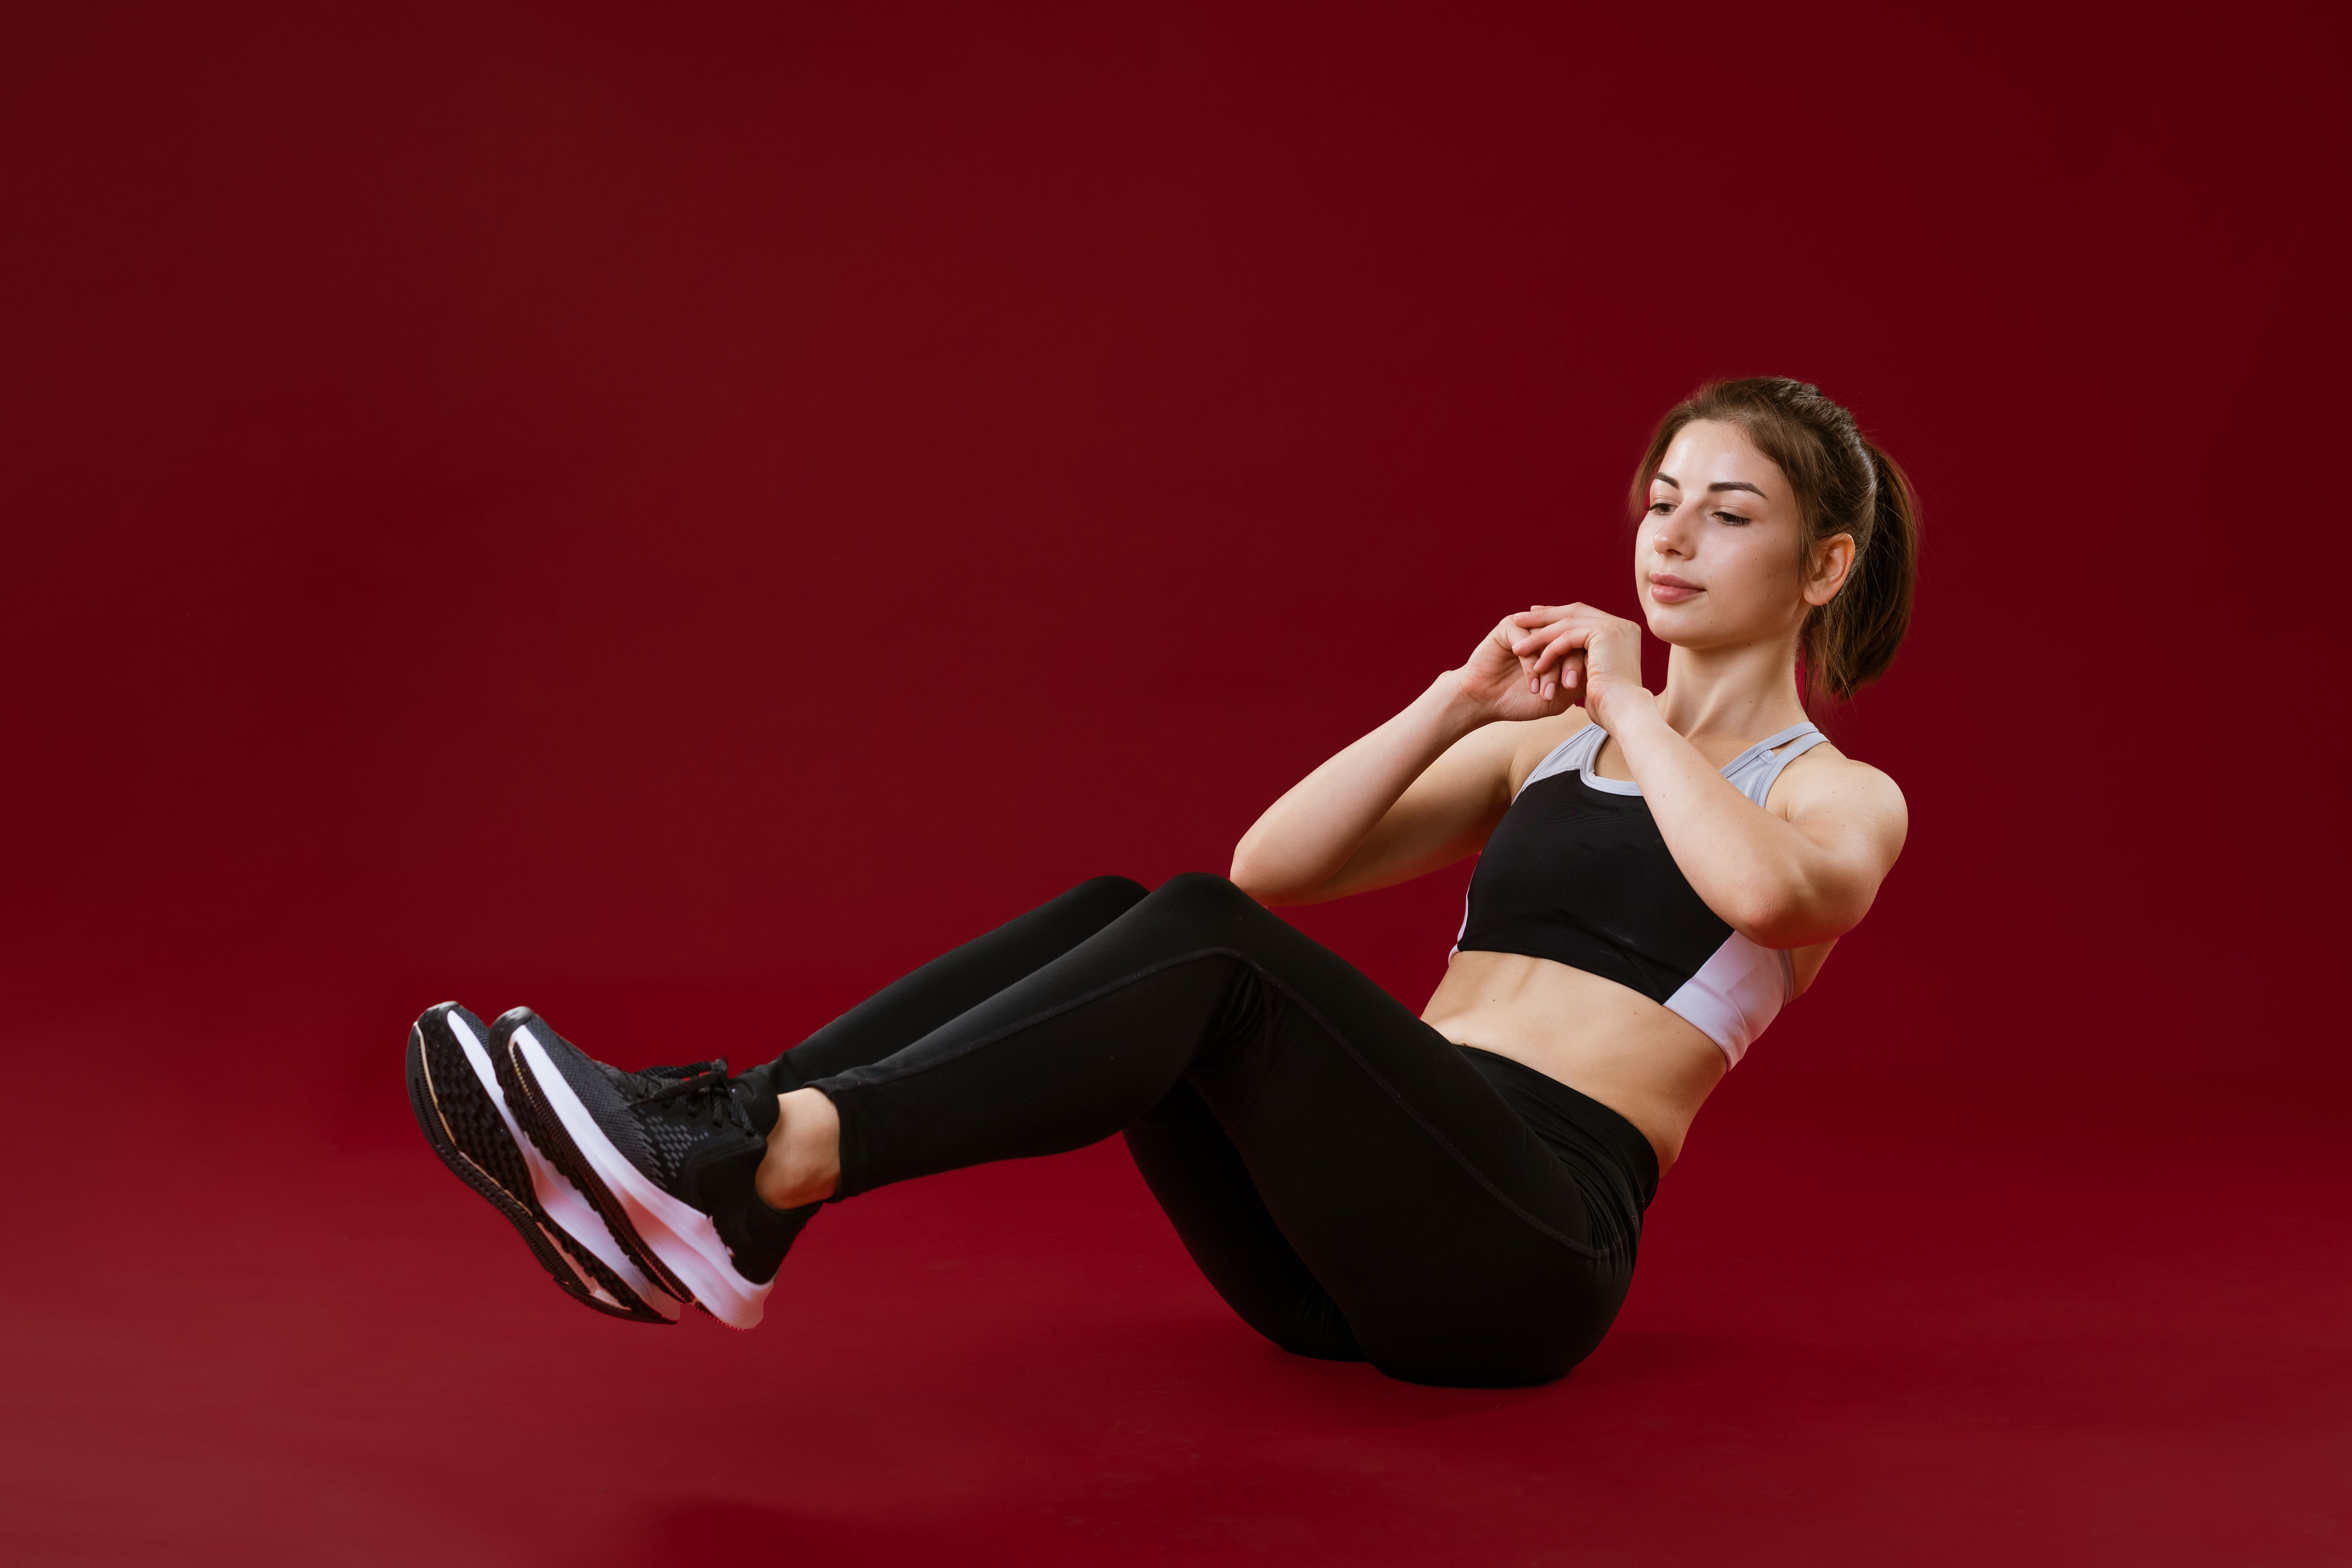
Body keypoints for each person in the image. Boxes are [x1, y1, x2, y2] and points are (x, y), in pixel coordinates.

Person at [406, 376, 1915, 1387]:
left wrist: (1639, 707)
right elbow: (1279, 867)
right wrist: (1457, 707)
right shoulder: (1549, 757)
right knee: (1136, 910)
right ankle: (728, 1163)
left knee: (1201, 938)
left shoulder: (1839, 800)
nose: (1673, 537)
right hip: (1343, 1240)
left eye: (1730, 513)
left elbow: (1772, 901)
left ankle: (765, 1166)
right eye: (1662, 500)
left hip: (1524, 1255)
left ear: (1825, 567)